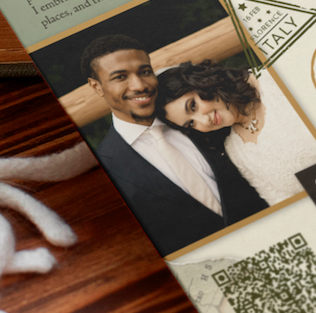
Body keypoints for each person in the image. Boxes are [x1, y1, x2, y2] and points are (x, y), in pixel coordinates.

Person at [80, 32, 268, 254]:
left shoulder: (203, 113)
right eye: (120, 77)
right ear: (96, 86)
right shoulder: (106, 168)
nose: (139, 85)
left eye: (145, 71)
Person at [157, 62, 316, 206]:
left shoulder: (276, 79)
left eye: (193, 106)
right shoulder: (235, 151)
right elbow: (280, 202)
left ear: (200, 81)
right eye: (191, 123)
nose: (204, 121)